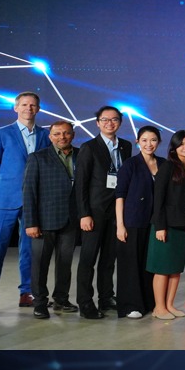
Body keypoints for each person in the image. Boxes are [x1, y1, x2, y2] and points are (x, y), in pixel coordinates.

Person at [0, 92, 51, 319]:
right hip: (5, 201)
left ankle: (27, 293)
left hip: (35, 202)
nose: (28, 108)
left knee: (29, 250)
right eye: (24, 105)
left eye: (33, 105)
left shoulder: (45, 135)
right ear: (16, 108)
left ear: (38, 109)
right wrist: (7, 187)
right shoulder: (0, 133)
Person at [75, 105, 132, 319]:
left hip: (117, 211)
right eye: (105, 120)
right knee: (88, 259)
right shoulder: (89, 147)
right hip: (95, 212)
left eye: (114, 119)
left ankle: (106, 297)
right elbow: (81, 184)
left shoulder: (125, 146)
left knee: (109, 259)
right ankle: (85, 302)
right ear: (98, 123)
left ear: (120, 122)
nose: (110, 123)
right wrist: (84, 214)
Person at [21, 121, 78, 319]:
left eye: (66, 133)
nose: (62, 137)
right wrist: (31, 222)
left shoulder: (82, 155)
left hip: (71, 220)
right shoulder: (37, 158)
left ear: (73, 134)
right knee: (40, 265)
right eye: (57, 134)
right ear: (50, 136)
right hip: (44, 221)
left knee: (65, 264)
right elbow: (29, 192)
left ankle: (61, 300)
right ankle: (39, 303)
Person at [114, 125, 163, 319]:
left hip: (154, 222)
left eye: (153, 140)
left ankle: (148, 302)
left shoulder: (163, 164)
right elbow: (120, 196)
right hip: (132, 221)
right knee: (131, 264)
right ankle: (131, 305)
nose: (149, 144)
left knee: (149, 263)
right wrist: (120, 225)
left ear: (158, 142)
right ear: (138, 142)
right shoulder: (130, 164)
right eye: (144, 140)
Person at [147, 130, 185, 321]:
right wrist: (160, 226)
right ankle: (159, 307)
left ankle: (169, 304)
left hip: (183, 224)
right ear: (174, 147)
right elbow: (158, 199)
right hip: (166, 225)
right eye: (182, 144)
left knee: (175, 268)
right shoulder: (167, 167)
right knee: (162, 268)